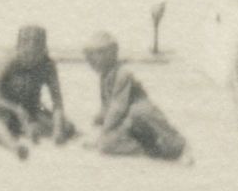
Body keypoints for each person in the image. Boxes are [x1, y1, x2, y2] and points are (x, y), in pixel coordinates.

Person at [80, 33, 190, 162]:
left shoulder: (122, 74)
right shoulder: (105, 77)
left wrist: (103, 131)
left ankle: (176, 147)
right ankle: (151, 149)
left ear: (111, 54)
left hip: (142, 117)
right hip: (129, 121)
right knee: (107, 144)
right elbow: (106, 106)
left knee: (143, 116)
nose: (90, 61)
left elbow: (117, 108)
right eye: (88, 56)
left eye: (94, 55)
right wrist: (98, 123)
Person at [0, 25, 72, 159]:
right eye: (27, 53)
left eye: (36, 53)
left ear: (43, 50)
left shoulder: (48, 65)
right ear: (20, 48)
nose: (31, 58)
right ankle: (14, 147)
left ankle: (29, 130)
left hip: (31, 109)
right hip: (3, 108)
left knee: (67, 128)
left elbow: (57, 101)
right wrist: (16, 109)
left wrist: (58, 130)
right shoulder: (9, 60)